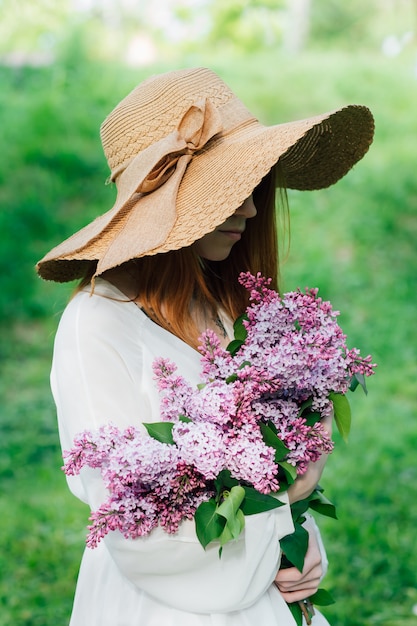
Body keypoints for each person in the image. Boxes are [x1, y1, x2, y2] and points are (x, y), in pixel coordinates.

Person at [36, 67, 374, 625]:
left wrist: (299, 539)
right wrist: (283, 502)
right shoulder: (95, 325)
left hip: (260, 591)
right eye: (228, 195)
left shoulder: (218, 302)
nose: (249, 212)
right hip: (163, 605)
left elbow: (268, 453)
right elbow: (132, 519)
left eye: (251, 191)